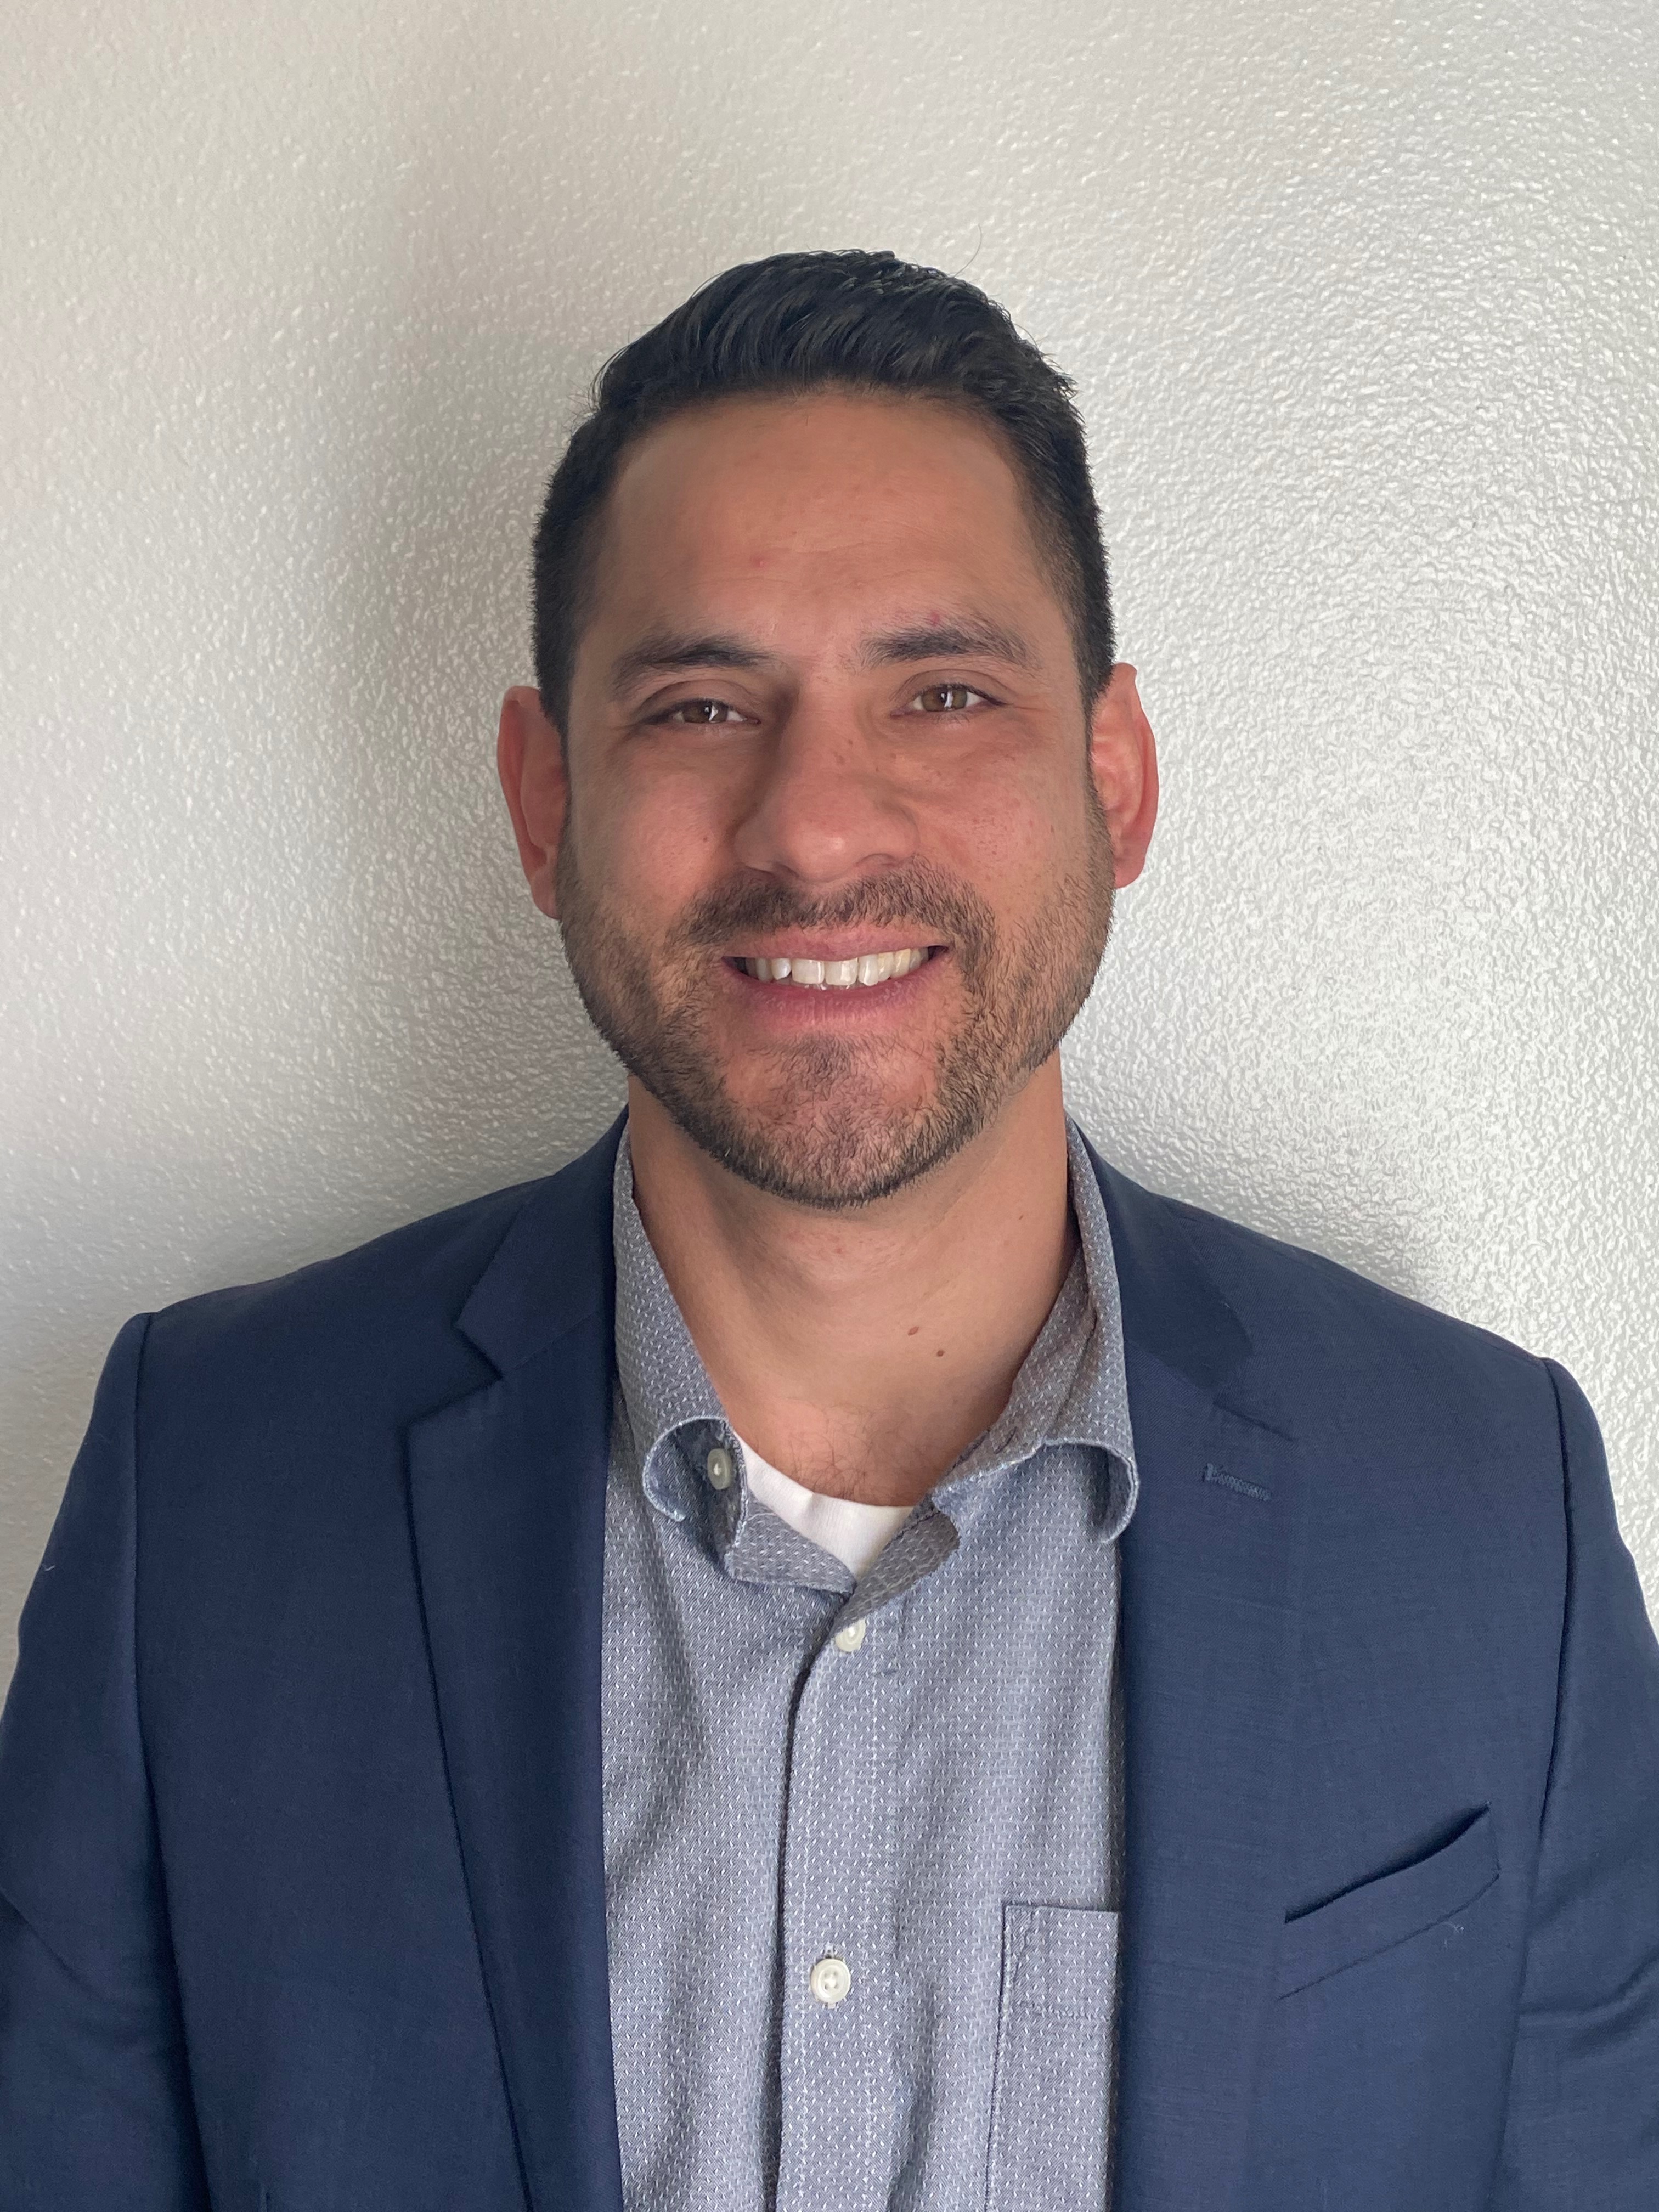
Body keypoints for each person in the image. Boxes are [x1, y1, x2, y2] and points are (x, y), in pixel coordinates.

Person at [1, 249, 1654, 2212]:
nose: (814, 826)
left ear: (1114, 779)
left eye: (943, 694)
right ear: (543, 804)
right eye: (702, 705)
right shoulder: (207, 1491)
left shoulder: (1489, 1513)